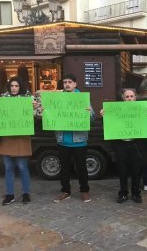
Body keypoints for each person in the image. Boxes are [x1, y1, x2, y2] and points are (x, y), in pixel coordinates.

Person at [101, 89, 147, 203]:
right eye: (127, 97)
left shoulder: (143, 110)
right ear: (123, 98)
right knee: (122, 171)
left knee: (137, 171)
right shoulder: (117, 110)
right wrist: (104, 116)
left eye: (131, 96)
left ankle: (136, 193)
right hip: (121, 145)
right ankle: (123, 193)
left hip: (137, 145)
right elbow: (109, 126)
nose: (129, 98)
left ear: (135, 97)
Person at [53, 73, 95, 203]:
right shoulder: (57, 98)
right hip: (62, 140)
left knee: (81, 168)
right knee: (64, 168)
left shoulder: (82, 98)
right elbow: (50, 115)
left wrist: (89, 113)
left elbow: (92, 116)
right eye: (65, 82)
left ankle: (84, 191)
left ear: (75, 84)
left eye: (70, 82)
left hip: (79, 141)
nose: (67, 84)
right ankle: (65, 191)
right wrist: (44, 111)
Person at [0, 77, 35, 205]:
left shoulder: (28, 99)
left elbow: (35, 115)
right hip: (6, 137)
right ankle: (9, 194)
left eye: (16, 86)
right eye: (12, 85)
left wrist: (34, 108)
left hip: (21, 137)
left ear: (20, 87)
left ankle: (26, 193)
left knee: (22, 167)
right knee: (8, 168)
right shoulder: (2, 99)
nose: (14, 88)